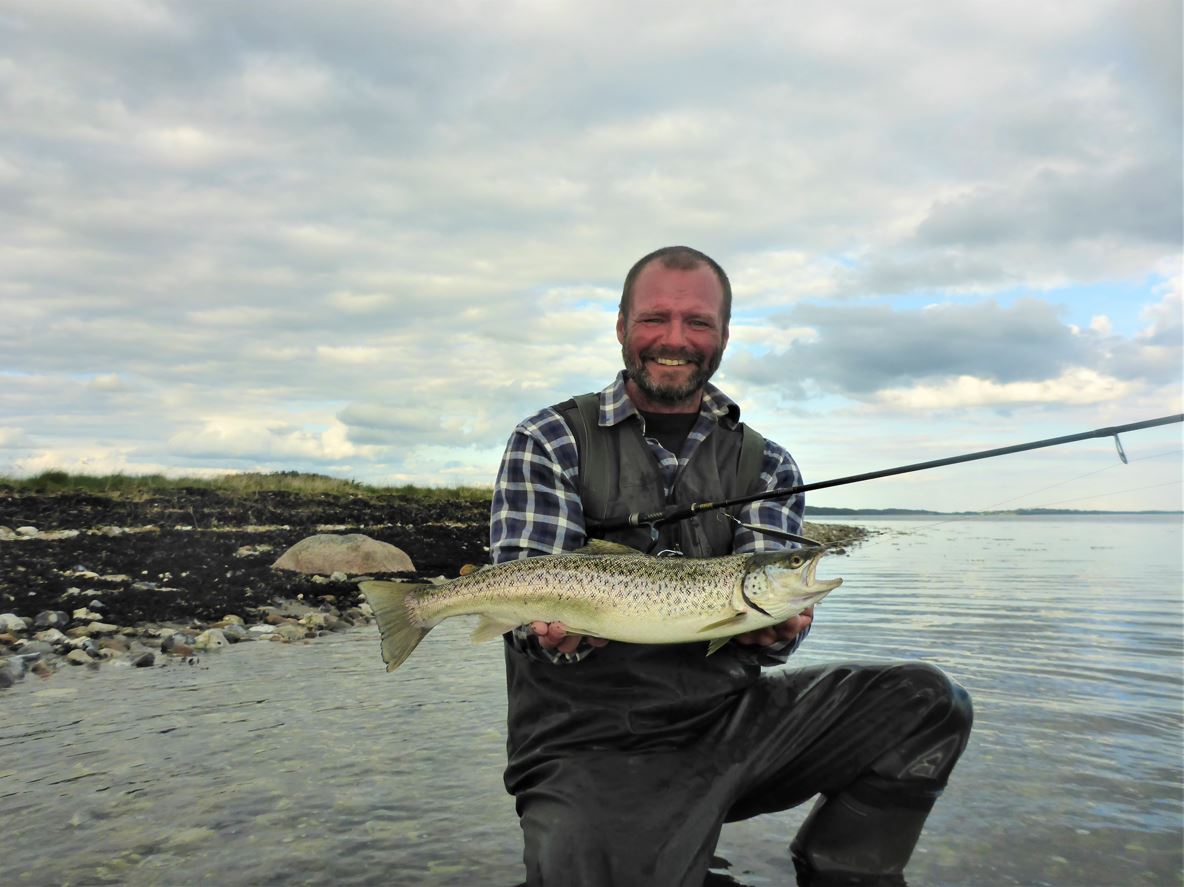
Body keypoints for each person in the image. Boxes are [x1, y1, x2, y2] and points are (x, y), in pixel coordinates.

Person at [489, 246, 973, 887]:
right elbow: (527, 583)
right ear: (620, 327)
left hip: (729, 726)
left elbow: (769, 632)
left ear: (722, 335)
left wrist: (781, 631)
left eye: (698, 323)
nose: (675, 339)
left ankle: (842, 872)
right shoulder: (548, 440)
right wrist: (548, 631)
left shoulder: (769, 463)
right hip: (587, 742)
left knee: (928, 703)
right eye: (655, 318)